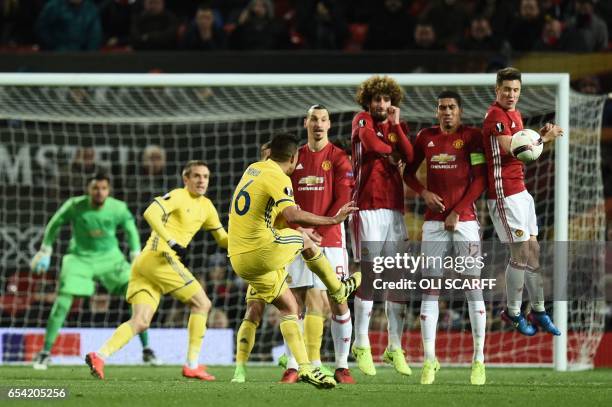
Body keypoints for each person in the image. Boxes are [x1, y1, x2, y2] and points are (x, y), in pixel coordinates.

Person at [228, 133, 360, 389]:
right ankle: (338, 287)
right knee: (303, 240)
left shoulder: (253, 169)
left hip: (238, 258)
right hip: (262, 252)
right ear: (293, 157)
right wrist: (333, 220)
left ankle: (304, 368)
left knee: (288, 307)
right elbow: (292, 214)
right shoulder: (280, 177)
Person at [84, 161, 228, 381]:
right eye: (196, 176)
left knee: (141, 321)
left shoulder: (207, 207)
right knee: (202, 304)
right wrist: (169, 239)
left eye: (206, 177)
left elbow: (222, 239)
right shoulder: (179, 196)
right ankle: (192, 364)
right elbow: (150, 211)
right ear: (185, 179)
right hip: (160, 257)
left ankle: (99, 355)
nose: (201, 181)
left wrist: (249, 242)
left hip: (145, 265)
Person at [30, 173, 160, 369]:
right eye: (95, 188)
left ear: (108, 190)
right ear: (88, 189)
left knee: (138, 292)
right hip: (79, 258)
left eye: (103, 189)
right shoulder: (75, 205)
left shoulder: (118, 208)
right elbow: (55, 223)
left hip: (111, 259)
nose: (99, 192)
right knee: (63, 300)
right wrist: (45, 250)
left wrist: (135, 254)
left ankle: (147, 349)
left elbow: (131, 229)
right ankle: (45, 352)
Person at [403, 90, 487, 385]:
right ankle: (429, 360)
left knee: (472, 287)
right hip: (433, 224)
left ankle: (478, 359)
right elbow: (408, 174)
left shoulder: (473, 137)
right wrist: (423, 192)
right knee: (430, 288)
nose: (447, 112)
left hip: (465, 222)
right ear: (436, 111)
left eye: (451, 107)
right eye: (442, 108)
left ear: (460, 111)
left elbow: (480, 179)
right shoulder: (425, 137)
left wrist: (458, 211)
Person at [482, 67, 563, 337]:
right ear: (497, 90)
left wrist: (537, 136)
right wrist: (543, 139)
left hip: (520, 190)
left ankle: (538, 309)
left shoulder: (515, 114)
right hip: (504, 193)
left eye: (516, 90)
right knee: (520, 254)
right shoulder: (495, 115)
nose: (511, 94)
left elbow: (524, 145)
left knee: (535, 251)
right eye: (506, 89)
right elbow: (512, 149)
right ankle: (513, 312)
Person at [349, 75, 414, 376]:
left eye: (387, 100)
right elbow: (371, 144)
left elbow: (411, 156)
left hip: (394, 210)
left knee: (397, 281)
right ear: (368, 101)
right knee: (371, 278)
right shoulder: (361, 120)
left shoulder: (396, 125)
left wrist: (397, 126)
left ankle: (394, 346)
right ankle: (361, 343)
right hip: (367, 208)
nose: (382, 104)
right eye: (377, 99)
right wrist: (393, 153)